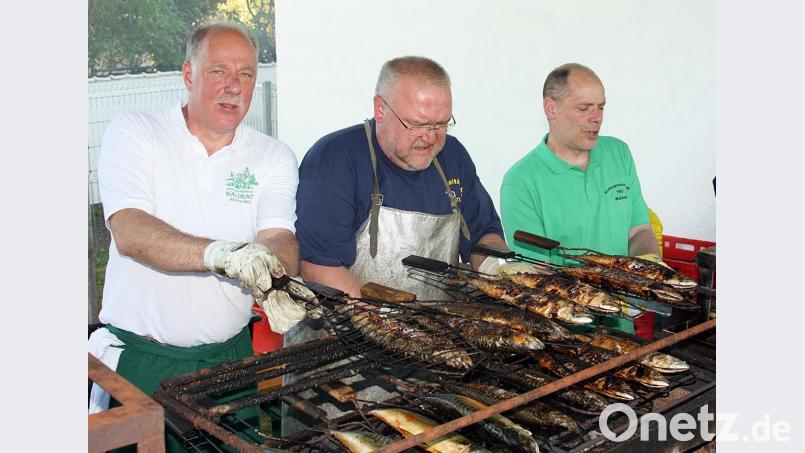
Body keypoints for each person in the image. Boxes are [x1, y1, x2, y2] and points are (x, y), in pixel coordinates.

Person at [88, 22, 315, 451]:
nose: (233, 86)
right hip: (140, 361)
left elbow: (278, 235)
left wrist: (276, 272)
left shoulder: (272, 156)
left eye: (246, 74)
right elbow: (130, 231)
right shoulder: (136, 132)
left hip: (228, 360)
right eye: (218, 71)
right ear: (189, 74)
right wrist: (223, 255)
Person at [285, 56, 513, 434]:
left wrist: (496, 270)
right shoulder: (336, 159)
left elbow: (484, 234)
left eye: (441, 124)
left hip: (430, 361)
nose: (431, 137)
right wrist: (395, 329)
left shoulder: (452, 158)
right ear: (380, 109)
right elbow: (319, 266)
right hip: (339, 364)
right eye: (418, 124)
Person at [500, 63, 663, 336]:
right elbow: (537, 275)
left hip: (623, 331)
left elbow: (639, 230)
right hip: (563, 336)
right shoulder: (521, 182)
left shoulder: (618, 154)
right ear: (551, 108)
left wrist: (647, 267)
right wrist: (607, 302)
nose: (596, 118)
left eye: (601, 107)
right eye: (584, 108)